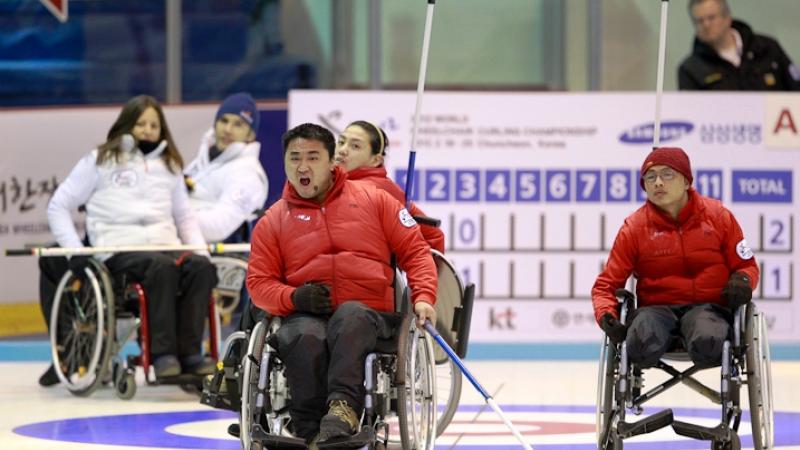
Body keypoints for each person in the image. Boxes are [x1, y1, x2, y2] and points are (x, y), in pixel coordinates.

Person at [38, 94, 267, 387]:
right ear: (126, 124)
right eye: (140, 123)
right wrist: (75, 252)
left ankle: (191, 356)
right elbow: (58, 205)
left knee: (199, 268)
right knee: (160, 267)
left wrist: (201, 255)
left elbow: (184, 218)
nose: (147, 130)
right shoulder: (100, 160)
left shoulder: (170, 165)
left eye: (154, 125)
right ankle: (162, 356)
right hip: (118, 249)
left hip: (164, 247)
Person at [246, 123, 438, 445]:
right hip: (307, 315)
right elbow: (258, 284)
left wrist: (424, 296)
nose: (302, 167)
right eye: (294, 158)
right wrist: (293, 297)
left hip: (369, 316)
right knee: (301, 334)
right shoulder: (273, 220)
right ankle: (307, 427)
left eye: (312, 157)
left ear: (333, 160)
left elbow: (417, 252)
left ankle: (343, 410)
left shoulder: (376, 201)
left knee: (350, 316)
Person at [592, 147, 759, 369]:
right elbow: (606, 285)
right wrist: (606, 315)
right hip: (655, 309)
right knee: (639, 344)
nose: (658, 182)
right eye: (650, 177)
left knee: (708, 342)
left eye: (667, 174)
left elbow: (747, 266)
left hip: (708, 307)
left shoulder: (718, 217)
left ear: (687, 181)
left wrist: (743, 280)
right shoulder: (634, 228)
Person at [335, 120, 445, 253]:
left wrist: (428, 272)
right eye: (341, 142)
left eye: (355, 146)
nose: (342, 150)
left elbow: (433, 235)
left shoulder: (380, 189)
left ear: (375, 160)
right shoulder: (327, 182)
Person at [184, 92, 268, 243]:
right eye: (224, 121)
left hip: (211, 254)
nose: (228, 129)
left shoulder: (248, 175)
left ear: (250, 135)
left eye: (238, 124)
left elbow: (218, 227)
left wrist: (171, 217)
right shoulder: (203, 160)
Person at [678, 0, 800, 90]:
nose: (706, 25)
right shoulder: (691, 68)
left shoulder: (766, 48)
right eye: (699, 21)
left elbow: (795, 88)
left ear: (727, 17)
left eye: (711, 18)